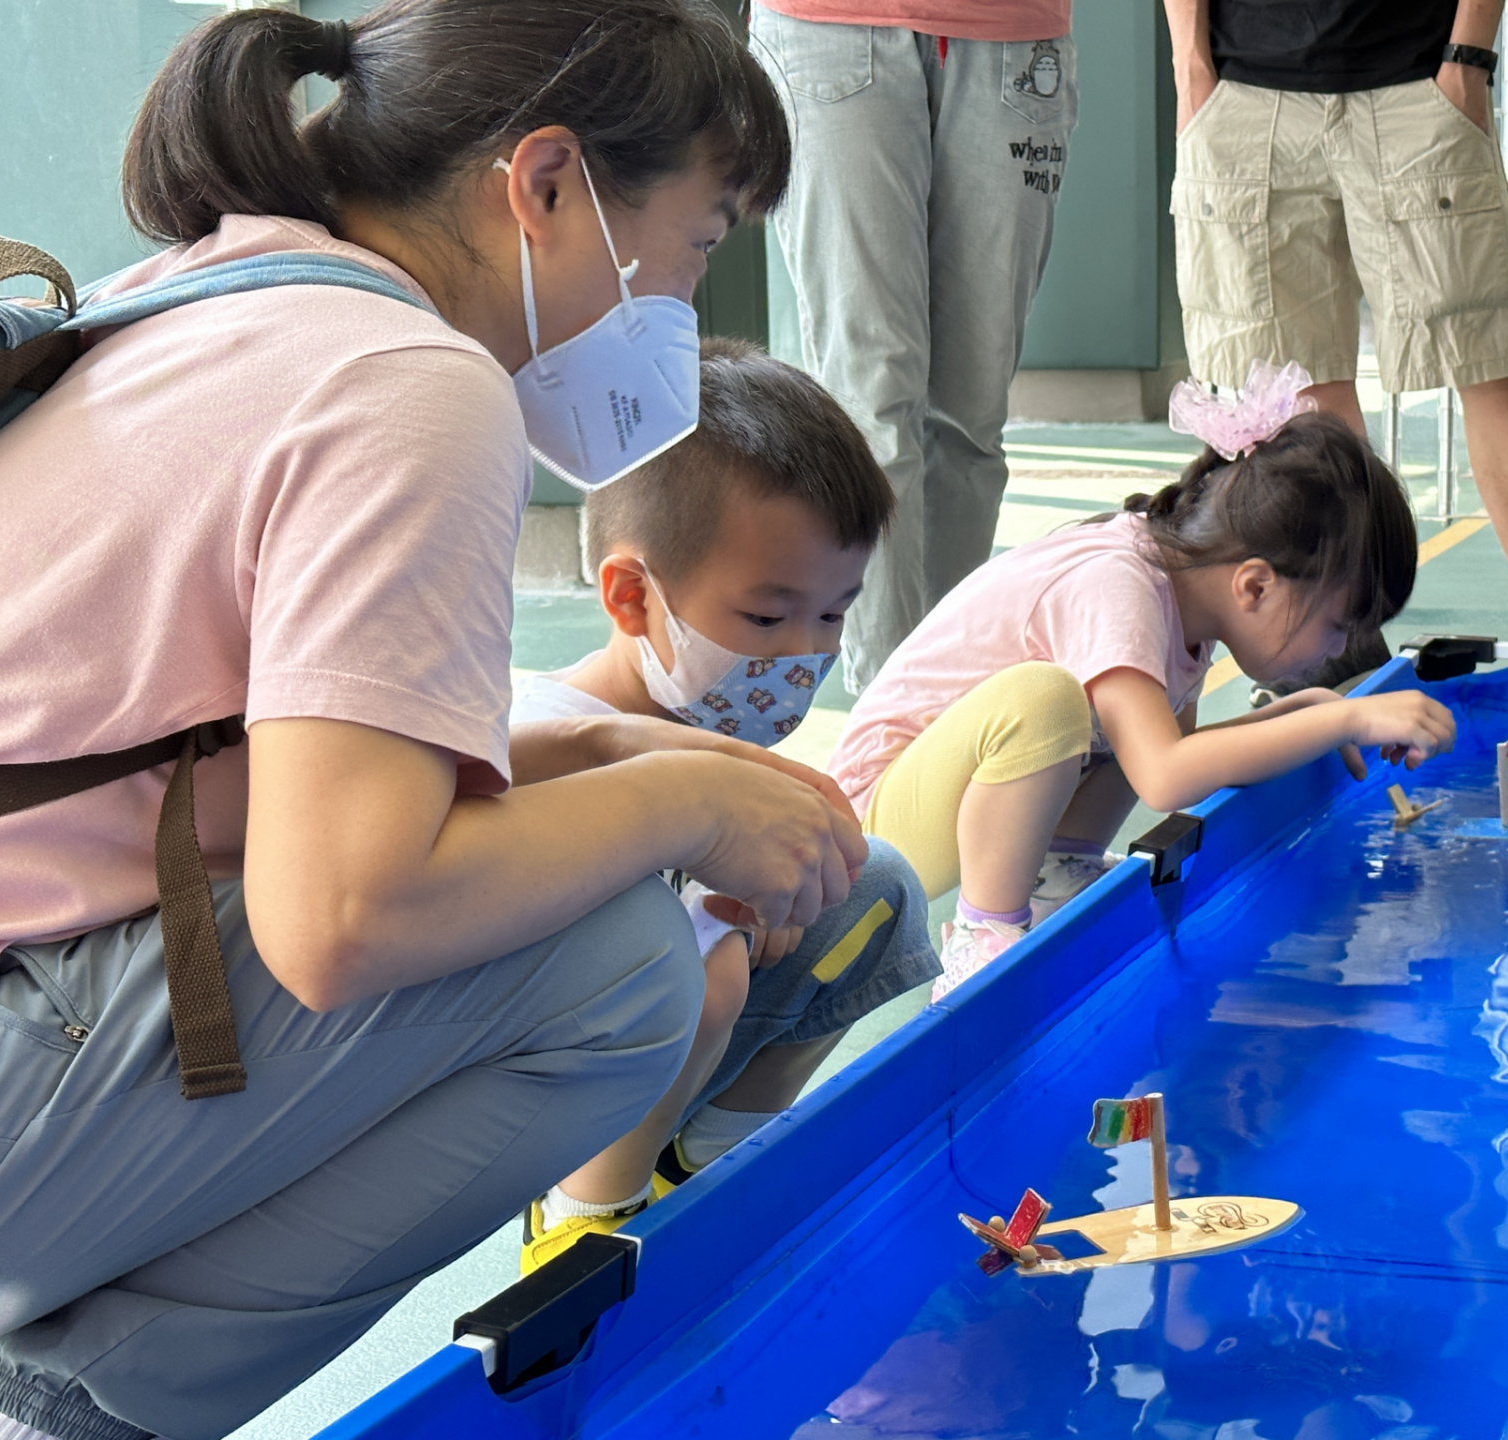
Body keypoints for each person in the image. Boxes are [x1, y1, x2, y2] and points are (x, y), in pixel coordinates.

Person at [0, 6, 872, 1439]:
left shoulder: (218, 290)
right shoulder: (412, 381)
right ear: (547, 186)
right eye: (697, 244)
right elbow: (343, 911)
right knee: (615, 968)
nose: (685, 301)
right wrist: (689, 804)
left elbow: (211, 757)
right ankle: (89, 1401)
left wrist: (603, 749)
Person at [509, 338, 938, 1271]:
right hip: (532, 1063)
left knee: (868, 885)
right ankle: (583, 1217)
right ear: (633, 597)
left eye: (833, 614)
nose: (802, 653)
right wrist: (716, 916)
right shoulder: (546, 731)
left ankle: (702, 1161)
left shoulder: (709, 711)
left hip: (655, 1032)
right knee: (704, 969)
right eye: (766, 616)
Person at [827, 371, 1456, 994]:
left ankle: (1056, 876)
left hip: (945, 801)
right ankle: (984, 938)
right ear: (1256, 585)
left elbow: (1183, 754)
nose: (1340, 649)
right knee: (1045, 701)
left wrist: (1311, 712)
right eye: (1338, 626)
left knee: (1130, 723)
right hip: (868, 831)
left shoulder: (1186, 600)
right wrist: (1345, 718)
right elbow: (1165, 775)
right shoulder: (1123, 586)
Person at [1163, 0, 1508, 664]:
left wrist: (1468, 59)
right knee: (1299, 393)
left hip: (1415, 84)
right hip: (1245, 93)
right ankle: (1345, 633)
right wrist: (1191, 68)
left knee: (1488, 356)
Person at [748, 0, 1079, 693]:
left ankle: (948, 696)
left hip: (1013, 37)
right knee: (872, 408)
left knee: (972, 421)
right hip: (831, 26)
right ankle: (890, 712)